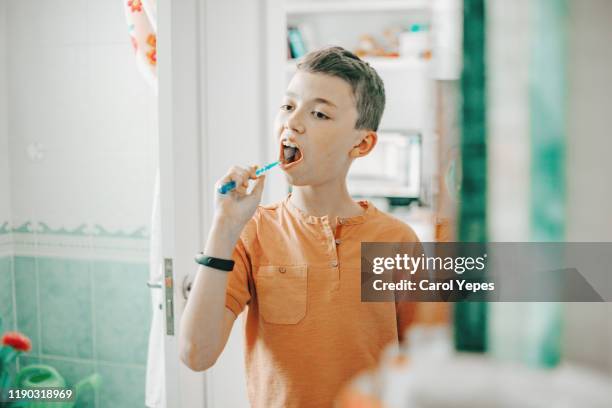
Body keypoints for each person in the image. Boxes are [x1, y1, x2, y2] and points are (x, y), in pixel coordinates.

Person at [179, 46, 421, 408]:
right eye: (288, 106)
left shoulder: (397, 241)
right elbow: (196, 355)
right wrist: (224, 225)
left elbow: (419, 365)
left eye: (320, 113)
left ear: (362, 142)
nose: (292, 122)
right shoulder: (252, 233)